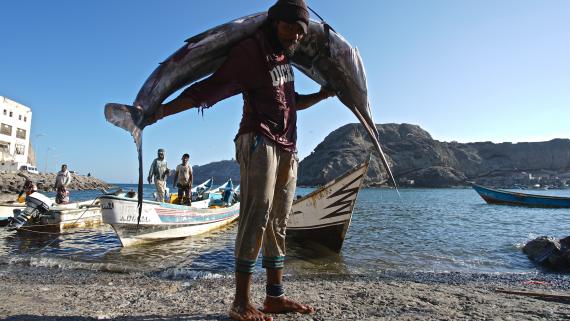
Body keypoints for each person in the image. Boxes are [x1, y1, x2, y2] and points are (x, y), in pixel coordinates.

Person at [144, 1, 335, 320]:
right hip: (258, 140)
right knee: (255, 215)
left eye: (300, 31)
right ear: (274, 23)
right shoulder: (251, 51)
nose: (294, 36)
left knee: (278, 221)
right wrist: (160, 112)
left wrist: (323, 95)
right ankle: (241, 302)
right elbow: (209, 89)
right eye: (289, 27)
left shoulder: (285, 60)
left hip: (289, 146)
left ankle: (275, 297)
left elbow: (292, 102)